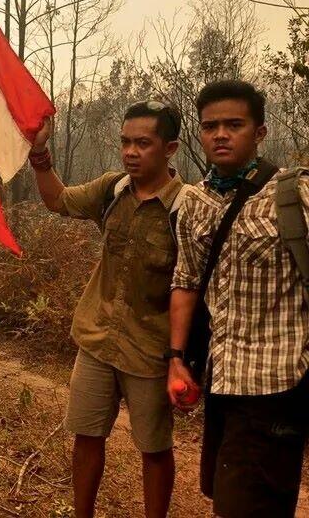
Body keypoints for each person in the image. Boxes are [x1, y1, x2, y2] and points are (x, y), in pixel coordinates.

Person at [29, 101, 185, 518]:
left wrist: (181, 356)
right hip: (97, 339)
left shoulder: (187, 208)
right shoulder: (113, 189)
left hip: (150, 350)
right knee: (86, 435)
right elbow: (58, 200)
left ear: (170, 149)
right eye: (125, 142)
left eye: (143, 143)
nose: (131, 152)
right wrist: (39, 155)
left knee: (153, 448)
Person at [168, 80, 309, 518]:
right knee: (233, 495)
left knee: (246, 502)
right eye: (211, 126)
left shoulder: (293, 194)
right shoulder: (194, 202)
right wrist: (176, 357)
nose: (221, 135)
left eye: (235, 124)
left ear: (260, 132)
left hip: (278, 381)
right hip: (223, 381)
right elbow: (187, 280)